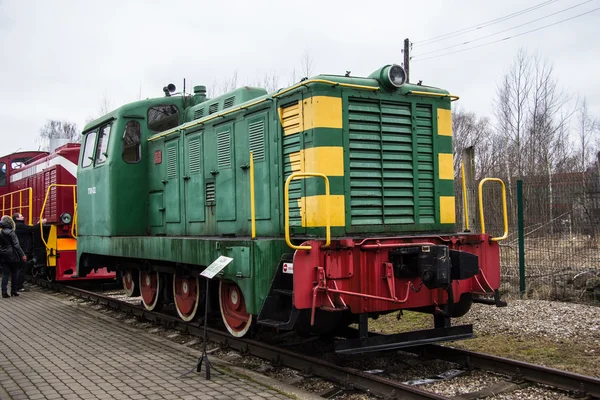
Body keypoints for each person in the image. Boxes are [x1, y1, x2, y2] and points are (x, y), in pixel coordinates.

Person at [12, 213, 41, 292]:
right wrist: (40, 223)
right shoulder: (20, 225)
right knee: (21, 269)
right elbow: (32, 229)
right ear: (17, 218)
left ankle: (16, 286)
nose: (23, 216)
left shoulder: (16, 225)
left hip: (20, 250)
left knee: (18, 268)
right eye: (21, 216)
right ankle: (19, 286)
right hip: (23, 250)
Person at [0, 215, 26, 298]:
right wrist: (23, 255)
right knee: (15, 272)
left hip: (3, 254)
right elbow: (16, 245)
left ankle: (4, 292)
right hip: (12, 255)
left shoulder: (0, 232)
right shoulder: (11, 232)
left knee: (5, 274)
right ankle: (14, 291)